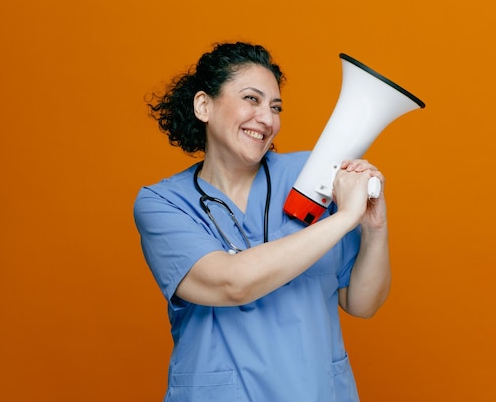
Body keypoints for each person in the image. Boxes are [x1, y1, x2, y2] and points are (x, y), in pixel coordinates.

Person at [134, 41, 391, 402]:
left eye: (276, 106)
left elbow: (362, 304)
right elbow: (232, 283)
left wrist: (372, 227)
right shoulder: (163, 203)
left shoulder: (312, 176)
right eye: (251, 99)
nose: (267, 118)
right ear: (204, 105)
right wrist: (345, 217)